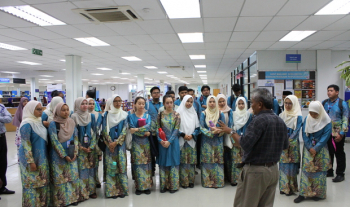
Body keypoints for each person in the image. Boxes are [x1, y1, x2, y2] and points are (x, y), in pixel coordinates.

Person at [219, 88, 288, 207]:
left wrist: (231, 131)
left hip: (256, 172)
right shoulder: (279, 120)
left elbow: (244, 144)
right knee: (265, 204)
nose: (251, 106)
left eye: (253, 103)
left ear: (260, 104)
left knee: (247, 203)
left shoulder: (258, 121)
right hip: (273, 170)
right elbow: (285, 145)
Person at [294, 101, 332, 203]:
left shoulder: (326, 121)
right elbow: (304, 133)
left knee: (319, 171)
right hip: (308, 148)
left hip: (321, 149)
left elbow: (326, 136)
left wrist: (316, 148)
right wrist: (309, 146)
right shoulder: (308, 118)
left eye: (315, 113)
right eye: (311, 112)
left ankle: (317, 194)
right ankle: (303, 193)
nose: (312, 115)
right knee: (306, 171)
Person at [48, 103, 80, 206]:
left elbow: (75, 138)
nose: (66, 112)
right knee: (60, 179)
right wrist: (64, 155)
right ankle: (61, 201)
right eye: (63, 110)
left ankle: (72, 198)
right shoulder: (53, 124)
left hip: (71, 153)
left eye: (67, 109)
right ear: (57, 111)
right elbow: (54, 141)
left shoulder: (71, 122)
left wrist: (75, 152)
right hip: (58, 156)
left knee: (72, 177)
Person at [18, 101, 49, 206]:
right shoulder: (26, 124)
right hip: (30, 159)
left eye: (42, 109)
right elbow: (26, 144)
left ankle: (42, 203)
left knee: (42, 182)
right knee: (31, 184)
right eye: (38, 109)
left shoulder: (38, 121)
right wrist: (31, 162)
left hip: (41, 157)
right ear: (31, 110)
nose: (41, 112)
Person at [101, 95, 128, 199]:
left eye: (119, 101)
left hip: (120, 146)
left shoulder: (125, 115)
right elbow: (104, 130)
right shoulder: (106, 115)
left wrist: (116, 143)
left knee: (121, 167)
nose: (118, 103)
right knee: (112, 167)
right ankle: (112, 191)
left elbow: (125, 130)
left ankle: (121, 190)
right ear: (111, 102)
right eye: (115, 101)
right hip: (109, 147)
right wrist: (110, 143)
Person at [71, 97, 97, 199]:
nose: (85, 106)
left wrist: (92, 145)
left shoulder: (91, 116)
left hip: (91, 148)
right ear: (77, 105)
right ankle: (83, 192)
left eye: (86, 103)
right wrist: (81, 147)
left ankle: (92, 191)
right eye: (82, 104)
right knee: (82, 170)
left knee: (91, 169)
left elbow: (95, 132)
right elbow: (73, 134)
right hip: (80, 149)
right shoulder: (74, 116)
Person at [323, 84, 349, 182]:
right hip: (326, 132)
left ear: (337, 92)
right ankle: (329, 171)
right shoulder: (325, 103)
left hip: (338, 132)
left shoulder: (342, 104)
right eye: (328, 90)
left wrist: (342, 133)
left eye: (331, 90)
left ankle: (340, 173)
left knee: (339, 153)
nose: (329, 92)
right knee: (328, 152)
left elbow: (345, 119)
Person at [127, 97, 152, 195]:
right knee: (137, 164)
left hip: (145, 144)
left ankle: (146, 186)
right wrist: (144, 132)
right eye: (139, 103)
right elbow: (131, 129)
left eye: (143, 103)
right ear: (135, 104)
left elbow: (148, 126)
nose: (141, 106)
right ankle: (138, 186)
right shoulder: (131, 116)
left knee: (146, 164)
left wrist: (137, 130)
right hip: (136, 144)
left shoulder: (147, 116)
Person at [279, 95, 303, 196]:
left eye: (290, 103)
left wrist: (289, 140)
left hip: (293, 144)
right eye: (286, 103)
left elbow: (297, 131)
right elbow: (279, 130)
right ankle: (283, 187)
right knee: (283, 165)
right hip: (282, 144)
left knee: (292, 166)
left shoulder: (298, 116)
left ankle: (292, 188)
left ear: (294, 104)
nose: (287, 105)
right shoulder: (281, 115)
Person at [200, 96, 225, 188]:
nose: (212, 103)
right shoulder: (203, 113)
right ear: (207, 103)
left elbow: (224, 127)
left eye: (213, 101)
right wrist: (210, 133)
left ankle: (218, 182)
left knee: (218, 161)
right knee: (207, 161)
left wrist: (218, 131)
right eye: (210, 102)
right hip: (207, 142)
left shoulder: (220, 113)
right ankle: (208, 182)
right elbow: (201, 127)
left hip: (218, 140)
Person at [157, 95, 181, 193]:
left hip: (173, 142)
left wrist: (169, 141)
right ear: (164, 104)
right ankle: (164, 186)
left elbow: (176, 129)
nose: (169, 104)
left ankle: (173, 186)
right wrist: (160, 140)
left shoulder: (177, 115)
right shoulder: (160, 115)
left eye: (171, 102)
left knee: (173, 162)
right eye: (167, 103)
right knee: (163, 163)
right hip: (162, 143)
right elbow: (157, 128)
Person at [177, 95, 200, 189]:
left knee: (191, 162)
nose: (189, 103)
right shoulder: (178, 112)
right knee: (182, 162)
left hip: (191, 140)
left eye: (191, 102)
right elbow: (174, 127)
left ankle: (191, 181)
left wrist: (192, 135)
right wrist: (183, 135)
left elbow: (198, 128)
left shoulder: (194, 113)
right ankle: (183, 182)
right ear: (183, 101)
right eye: (187, 101)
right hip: (182, 140)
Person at [229, 97, 252, 186]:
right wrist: (234, 140)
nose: (241, 105)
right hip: (235, 140)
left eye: (243, 103)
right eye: (239, 104)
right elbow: (231, 127)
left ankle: (244, 180)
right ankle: (235, 180)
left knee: (245, 161)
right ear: (236, 105)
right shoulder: (233, 114)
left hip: (246, 141)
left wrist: (245, 140)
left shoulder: (249, 115)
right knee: (235, 160)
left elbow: (250, 128)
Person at [146, 86, 163, 176]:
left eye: (158, 92)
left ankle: (162, 169)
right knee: (151, 151)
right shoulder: (147, 104)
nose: (156, 94)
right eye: (154, 93)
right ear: (151, 94)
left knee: (161, 151)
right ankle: (152, 169)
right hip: (151, 132)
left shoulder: (163, 104)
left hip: (161, 132)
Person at [87, 98, 103, 188]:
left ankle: (96, 179)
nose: (91, 105)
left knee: (95, 163)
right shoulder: (82, 115)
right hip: (85, 142)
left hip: (95, 141)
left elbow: (98, 128)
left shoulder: (98, 115)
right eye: (89, 103)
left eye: (93, 104)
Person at [217, 94, 233, 184]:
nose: (222, 103)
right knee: (220, 156)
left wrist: (227, 130)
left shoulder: (229, 110)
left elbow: (231, 123)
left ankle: (228, 176)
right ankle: (221, 176)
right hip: (218, 135)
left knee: (227, 156)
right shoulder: (215, 111)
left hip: (227, 134)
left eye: (223, 101)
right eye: (220, 101)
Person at [0, 103, 15, 195]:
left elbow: (9, 118)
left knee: (2, 162)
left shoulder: (1, 107)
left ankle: (2, 186)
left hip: (1, 137)